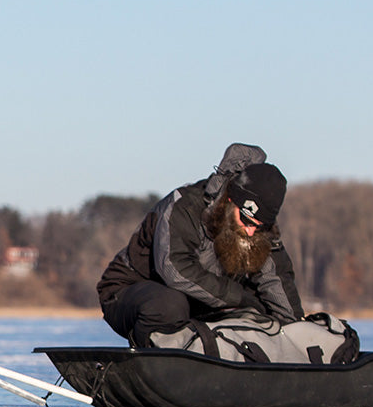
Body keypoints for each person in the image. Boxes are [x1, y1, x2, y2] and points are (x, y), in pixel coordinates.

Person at [97, 143, 303, 347]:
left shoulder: (255, 229)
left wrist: (296, 333)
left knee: (257, 317)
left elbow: (275, 279)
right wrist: (238, 297)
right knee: (169, 306)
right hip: (129, 292)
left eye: (258, 226)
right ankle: (147, 365)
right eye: (247, 221)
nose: (250, 231)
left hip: (200, 302)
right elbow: (173, 269)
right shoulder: (184, 206)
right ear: (231, 201)